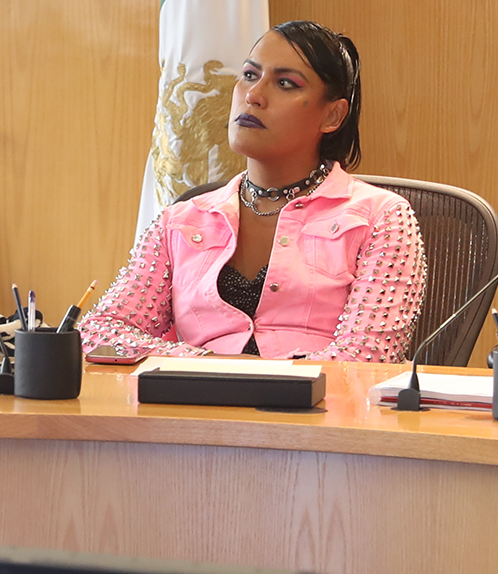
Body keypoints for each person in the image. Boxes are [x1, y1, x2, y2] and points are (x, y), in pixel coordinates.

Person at [82, 21, 428, 360]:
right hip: (194, 396)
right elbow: (99, 332)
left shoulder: (382, 217)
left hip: (318, 398)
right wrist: (204, 365)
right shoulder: (182, 220)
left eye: (285, 83)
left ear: (332, 116)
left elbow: (368, 356)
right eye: (249, 75)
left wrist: (264, 380)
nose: (253, 95)